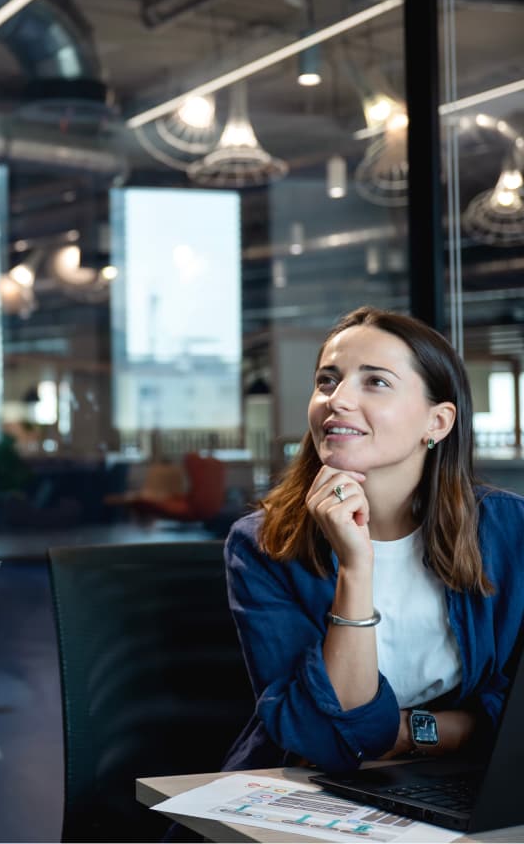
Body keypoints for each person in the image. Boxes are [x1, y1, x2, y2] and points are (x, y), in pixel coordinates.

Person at [224, 306, 524, 773]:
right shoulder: (263, 545)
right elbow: (329, 738)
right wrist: (356, 566)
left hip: (461, 780)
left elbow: (513, 713)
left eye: (375, 381)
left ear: (438, 423)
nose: (336, 400)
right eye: (327, 380)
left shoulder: (508, 530)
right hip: (301, 788)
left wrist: (404, 733)